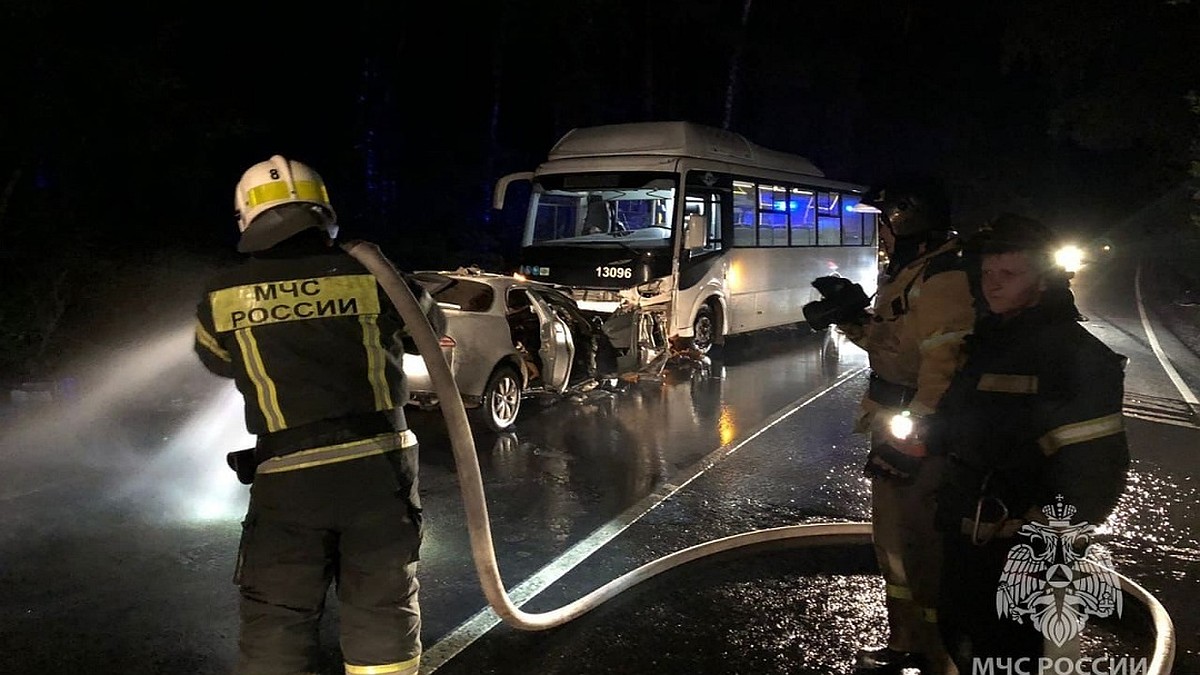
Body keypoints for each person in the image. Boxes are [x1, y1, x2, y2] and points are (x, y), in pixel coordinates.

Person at [193, 154, 446, 675]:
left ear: (246, 219)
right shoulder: (372, 273)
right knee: (382, 603)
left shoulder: (222, 293)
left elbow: (216, 361)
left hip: (288, 476)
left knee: (278, 614)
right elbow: (431, 326)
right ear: (322, 211)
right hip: (381, 468)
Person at [929, 213, 1129, 673]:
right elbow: (966, 424)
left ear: (1042, 283)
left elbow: (1096, 467)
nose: (993, 286)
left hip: (1022, 540)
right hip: (968, 526)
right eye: (988, 275)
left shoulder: (1075, 357)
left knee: (1007, 652)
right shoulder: (988, 341)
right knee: (958, 630)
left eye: (1010, 275)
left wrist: (1042, 535)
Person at [835, 180, 975, 674]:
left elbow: (942, 370)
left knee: (917, 543)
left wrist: (912, 440)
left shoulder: (942, 278)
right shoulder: (914, 272)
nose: (881, 233)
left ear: (904, 219)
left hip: (919, 436)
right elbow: (896, 346)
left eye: (883, 222)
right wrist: (852, 321)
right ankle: (907, 639)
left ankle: (936, 651)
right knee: (894, 540)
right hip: (898, 425)